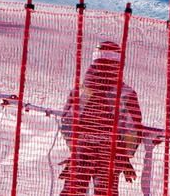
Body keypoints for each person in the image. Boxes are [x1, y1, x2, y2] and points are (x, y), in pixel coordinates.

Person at [59, 41, 143, 196]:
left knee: (73, 190)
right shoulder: (125, 94)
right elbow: (132, 129)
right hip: (110, 154)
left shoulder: (81, 91)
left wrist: (75, 148)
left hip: (83, 151)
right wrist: (123, 156)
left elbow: (67, 123)